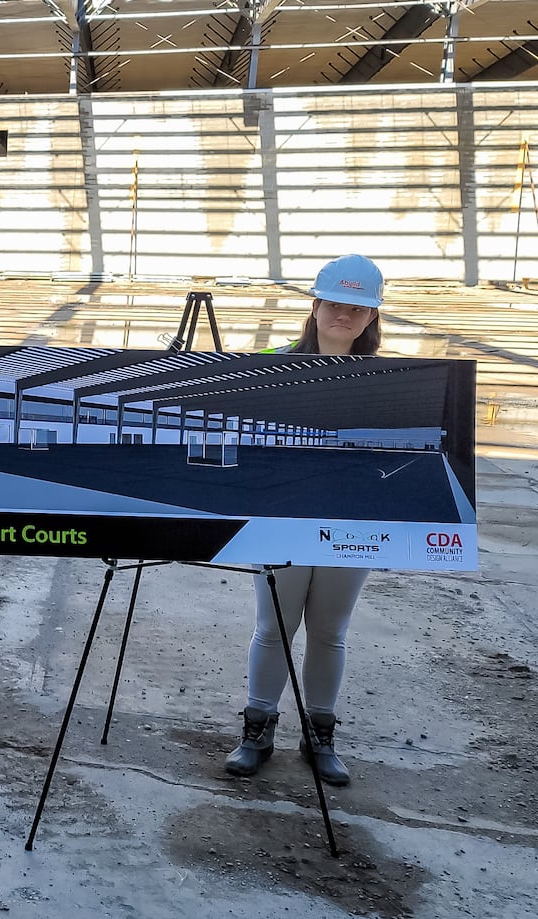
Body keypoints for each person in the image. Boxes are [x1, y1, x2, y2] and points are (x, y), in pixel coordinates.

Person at [223, 254, 384, 787]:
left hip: (351, 522)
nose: (343, 313)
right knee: (274, 628)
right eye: (333, 302)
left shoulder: (393, 381)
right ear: (314, 306)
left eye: (356, 307)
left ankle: (320, 737)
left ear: (371, 317)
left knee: (329, 632)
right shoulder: (270, 365)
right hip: (283, 517)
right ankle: (256, 730)